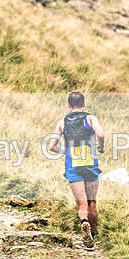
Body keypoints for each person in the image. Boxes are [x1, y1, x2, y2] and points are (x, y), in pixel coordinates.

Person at [48, 92, 105, 250]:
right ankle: (92, 235)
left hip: (72, 164)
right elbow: (100, 134)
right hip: (90, 162)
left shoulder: (63, 122)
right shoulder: (90, 118)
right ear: (84, 104)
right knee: (92, 201)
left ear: (68, 106)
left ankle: (84, 222)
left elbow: (51, 146)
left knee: (81, 205)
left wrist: (65, 152)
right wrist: (101, 147)